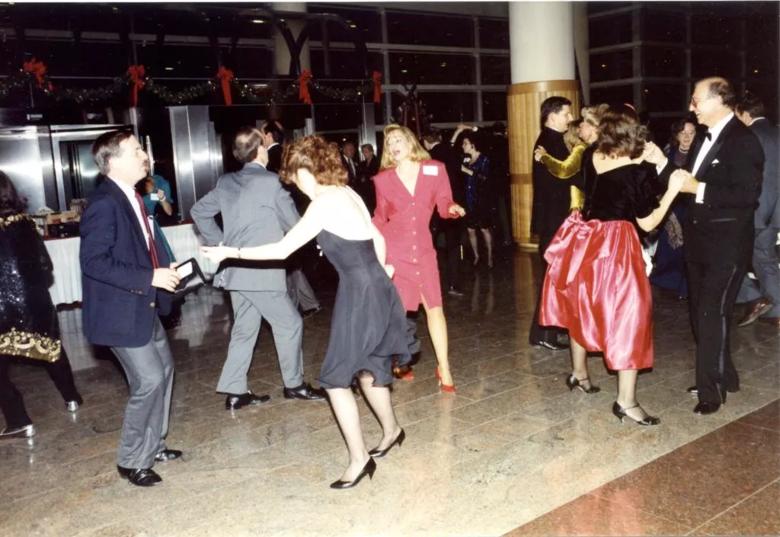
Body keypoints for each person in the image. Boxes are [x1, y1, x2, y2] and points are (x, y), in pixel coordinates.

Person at [201, 135, 411, 489]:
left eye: (295, 176)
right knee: (369, 366)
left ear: (307, 170)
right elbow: (377, 236)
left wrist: (230, 252)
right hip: (373, 288)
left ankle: (360, 460)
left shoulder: (324, 204)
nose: (293, 183)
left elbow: (282, 250)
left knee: (334, 379)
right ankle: (392, 431)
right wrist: (382, 269)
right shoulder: (348, 193)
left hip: (361, 293)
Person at [540, 106, 685, 425]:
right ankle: (626, 401)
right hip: (617, 245)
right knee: (630, 316)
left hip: (587, 241)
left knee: (581, 306)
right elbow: (647, 223)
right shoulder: (638, 168)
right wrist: (672, 188)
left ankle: (579, 373)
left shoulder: (592, 155)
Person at [647, 77, 764, 415]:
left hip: (727, 245)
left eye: (696, 101)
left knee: (712, 313)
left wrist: (698, 187)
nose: (691, 107)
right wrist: (659, 161)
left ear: (719, 100)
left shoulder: (744, 141)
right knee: (701, 316)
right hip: (698, 245)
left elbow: (745, 196)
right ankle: (725, 375)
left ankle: (710, 391)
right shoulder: (702, 139)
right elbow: (683, 182)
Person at [190, 127, 325, 410]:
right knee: (290, 323)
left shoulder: (226, 182)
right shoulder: (272, 183)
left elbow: (198, 211)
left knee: (244, 329)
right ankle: (295, 384)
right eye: (264, 144)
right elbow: (295, 225)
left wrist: (221, 243)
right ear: (260, 150)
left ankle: (236, 390)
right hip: (261, 272)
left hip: (234, 271)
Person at [80, 131, 183, 487]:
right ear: (113, 161)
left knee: (165, 372)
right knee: (149, 379)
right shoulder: (105, 203)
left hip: (144, 304)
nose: (144, 155)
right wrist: (149, 275)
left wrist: (161, 272)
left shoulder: (133, 197)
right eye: (137, 150)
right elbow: (94, 262)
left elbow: (139, 250)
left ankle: (154, 445)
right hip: (119, 311)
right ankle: (131, 459)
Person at [372, 124, 466, 392]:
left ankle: (444, 367)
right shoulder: (383, 179)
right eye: (389, 143)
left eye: (398, 139)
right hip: (396, 252)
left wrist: (452, 208)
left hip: (423, 250)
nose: (393, 145)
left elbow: (444, 202)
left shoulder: (434, 169)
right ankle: (400, 361)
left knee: (435, 308)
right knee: (398, 313)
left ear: (411, 141)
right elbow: (380, 217)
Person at [0, 171, 83, 439]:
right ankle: (72, 398)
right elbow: (47, 267)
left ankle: (18, 419)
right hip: (36, 301)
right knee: (52, 350)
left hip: (2, 307)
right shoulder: (26, 223)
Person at [260, 123, 321, 317]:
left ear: (269, 135)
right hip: (291, 213)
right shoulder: (283, 154)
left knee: (287, 261)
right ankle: (307, 303)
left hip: (282, 216)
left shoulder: (272, 158)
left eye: (262, 133)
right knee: (291, 263)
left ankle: (299, 305)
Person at [529, 96, 574, 351]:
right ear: (553, 115)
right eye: (566, 114)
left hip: (552, 219)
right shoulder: (550, 142)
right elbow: (561, 180)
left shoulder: (550, 140)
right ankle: (544, 332)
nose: (570, 118)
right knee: (553, 277)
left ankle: (545, 331)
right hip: (555, 220)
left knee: (553, 276)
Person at [734, 93, 780, 327]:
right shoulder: (777, 133)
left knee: (733, 256)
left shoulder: (750, 136)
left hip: (758, 211)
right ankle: (776, 309)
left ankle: (754, 297)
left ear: (745, 114)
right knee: (765, 258)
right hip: (775, 212)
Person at [648, 117, 700, 299]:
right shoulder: (667, 153)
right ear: (676, 135)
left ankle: (685, 288)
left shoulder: (700, 155)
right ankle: (667, 281)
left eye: (691, 133)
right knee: (670, 248)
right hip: (670, 207)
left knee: (690, 250)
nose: (687, 137)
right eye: (683, 133)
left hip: (691, 206)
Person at [534, 104, 610, 214]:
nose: (580, 127)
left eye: (583, 124)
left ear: (593, 128)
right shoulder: (605, 148)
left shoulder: (585, 149)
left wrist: (545, 157)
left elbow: (564, 170)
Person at [423, 128, 467, 297]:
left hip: (433, 209)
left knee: (428, 246)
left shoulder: (427, 159)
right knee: (453, 247)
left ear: (426, 142)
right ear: (439, 138)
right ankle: (454, 285)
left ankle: (427, 285)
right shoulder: (453, 152)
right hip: (454, 205)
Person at [460, 131, 496, 269]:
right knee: (470, 230)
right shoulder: (466, 159)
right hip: (468, 199)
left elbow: (485, 178)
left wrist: (467, 171)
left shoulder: (484, 159)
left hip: (481, 200)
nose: (463, 146)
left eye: (465, 143)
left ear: (473, 145)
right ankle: (476, 256)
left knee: (484, 229)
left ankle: (490, 256)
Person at [354, 143, 379, 214]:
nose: (364, 154)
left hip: (374, 192)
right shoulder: (362, 164)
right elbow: (359, 177)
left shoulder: (378, 162)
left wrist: (368, 178)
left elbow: (378, 176)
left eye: (366, 151)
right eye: (363, 152)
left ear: (371, 152)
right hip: (364, 193)